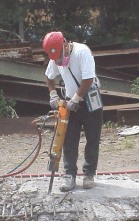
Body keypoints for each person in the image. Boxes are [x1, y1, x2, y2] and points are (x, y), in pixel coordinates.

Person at [43, 31, 103, 191]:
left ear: (65, 44)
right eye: (55, 59)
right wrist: (53, 94)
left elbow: (88, 79)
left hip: (89, 100)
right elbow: (49, 76)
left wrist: (76, 99)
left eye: (60, 56)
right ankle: (69, 175)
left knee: (92, 139)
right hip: (70, 103)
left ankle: (89, 174)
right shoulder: (55, 58)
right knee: (68, 140)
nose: (59, 61)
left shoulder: (82, 52)